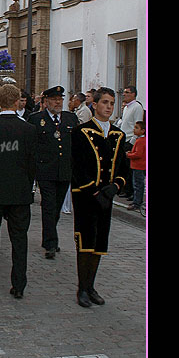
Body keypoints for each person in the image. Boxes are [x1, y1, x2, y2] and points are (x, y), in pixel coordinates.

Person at [0, 83, 37, 298]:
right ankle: (19, 283)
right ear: (17, 101)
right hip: (20, 191)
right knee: (19, 238)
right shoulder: (29, 129)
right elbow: (32, 163)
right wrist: (27, 185)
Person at [71, 87, 129, 307]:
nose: (109, 107)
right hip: (86, 196)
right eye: (105, 102)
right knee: (86, 241)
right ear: (94, 105)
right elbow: (77, 165)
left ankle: (91, 286)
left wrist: (115, 186)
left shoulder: (118, 134)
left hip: (106, 196)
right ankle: (82, 288)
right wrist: (92, 190)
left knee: (99, 242)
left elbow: (123, 167)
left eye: (112, 103)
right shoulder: (81, 132)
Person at [28, 86, 80, 259]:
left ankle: (48, 236)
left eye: (60, 99)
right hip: (45, 170)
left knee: (56, 207)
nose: (58, 102)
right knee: (49, 205)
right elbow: (32, 146)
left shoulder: (70, 119)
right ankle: (51, 243)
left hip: (65, 170)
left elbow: (76, 145)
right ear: (46, 101)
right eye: (54, 99)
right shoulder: (36, 119)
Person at [119, 86, 144, 200]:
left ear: (133, 94)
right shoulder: (127, 107)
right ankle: (126, 189)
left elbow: (137, 124)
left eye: (127, 92)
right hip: (124, 138)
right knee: (125, 167)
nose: (124, 94)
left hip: (130, 140)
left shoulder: (137, 107)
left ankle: (132, 192)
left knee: (130, 169)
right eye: (124, 92)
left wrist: (133, 141)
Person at [126, 120, 146, 212]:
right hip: (139, 165)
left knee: (138, 184)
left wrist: (129, 155)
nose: (134, 129)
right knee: (138, 184)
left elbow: (138, 154)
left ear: (143, 130)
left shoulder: (141, 141)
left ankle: (137, 203)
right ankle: (136, 201)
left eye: (136, 128)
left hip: (138, 166)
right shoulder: (140, 140)